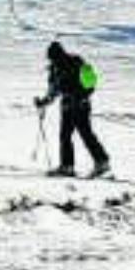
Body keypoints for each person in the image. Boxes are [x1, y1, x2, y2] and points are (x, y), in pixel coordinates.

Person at [35, 40, 109, 178]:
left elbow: (54, 91)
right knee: (73, 135)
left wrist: (44, 102)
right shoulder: (69, 64)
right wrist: (43, 102)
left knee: (79, 134)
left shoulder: (67, 65)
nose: (52, 60)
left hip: (76, 105)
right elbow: (54, 90)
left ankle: (90, 164)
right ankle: (94, 163)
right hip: (75, 105)